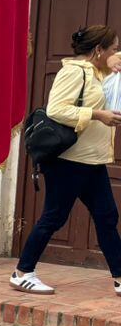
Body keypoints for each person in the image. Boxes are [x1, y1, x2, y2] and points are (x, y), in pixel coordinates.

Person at [11, 24, 121, 297]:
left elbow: (114, 65)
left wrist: (115, 59)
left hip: (92, 161)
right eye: (113, 48)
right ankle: (22, 273)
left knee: (107, 217)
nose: (116, 53)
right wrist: (97, 114)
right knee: (54, 217)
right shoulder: (73, 72)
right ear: (99, 50)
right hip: (68, 162)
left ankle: (120, 278)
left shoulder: (98, 72)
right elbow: (57, 109)